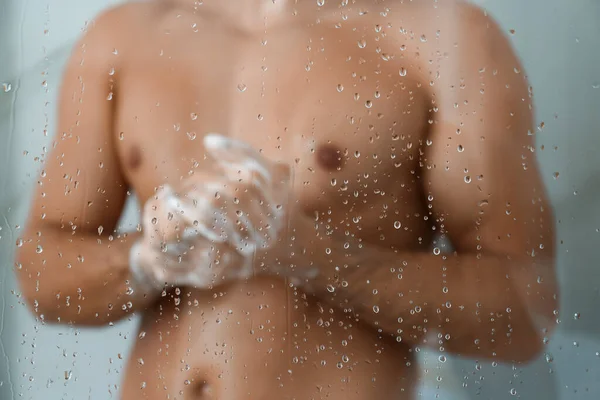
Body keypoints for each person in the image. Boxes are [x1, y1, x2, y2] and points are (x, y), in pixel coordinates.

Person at [16, 0, 558, 398]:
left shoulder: (443, 38)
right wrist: (146, 260)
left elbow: (525, 312)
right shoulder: (123, 35)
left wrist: (312, 256)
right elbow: (42, 274)